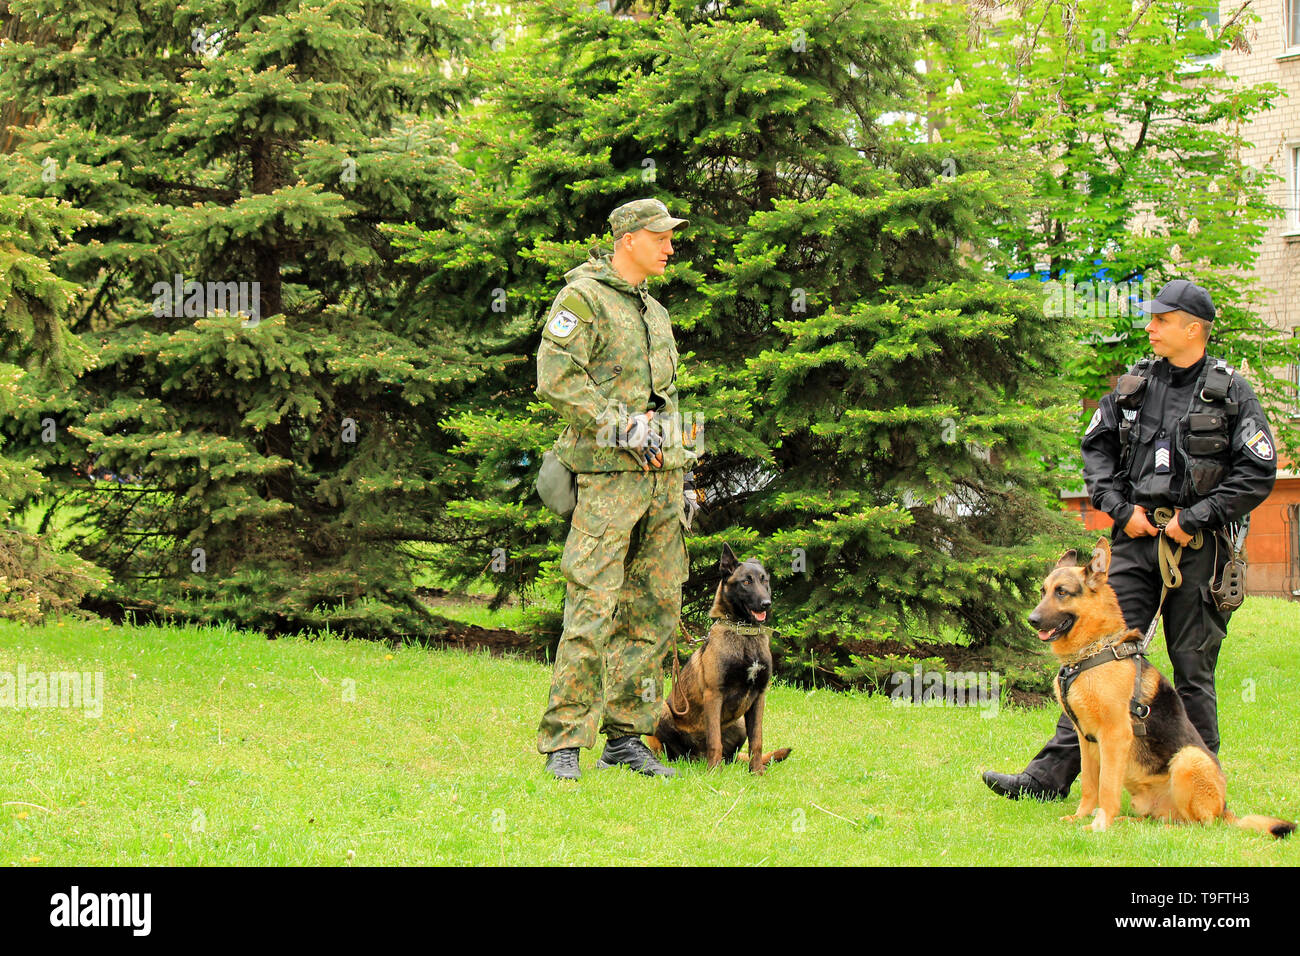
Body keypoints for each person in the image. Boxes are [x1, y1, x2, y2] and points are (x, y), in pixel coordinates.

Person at [983, 278, 1277, 800]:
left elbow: (1257, 473)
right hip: (1136, 538)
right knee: (1094, 658)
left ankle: (1201, 788)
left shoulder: (1233, 393)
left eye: (1161, 320)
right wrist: (1121, 509)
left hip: (1201, 547)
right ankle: (1045, 780)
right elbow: (1095, 450)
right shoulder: (1133, 387)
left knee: (1192, 668)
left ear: (1194, 329)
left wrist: (1195, 518)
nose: (1151, 327)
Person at [535, 197, 693, 780]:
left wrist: (684, 471)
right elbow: (555, 377)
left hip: (661, 479)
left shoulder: (655, 311)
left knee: (653, 610)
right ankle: (564, 743)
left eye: (671, 237)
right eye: (660, 237)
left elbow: (663, 399)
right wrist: (618, 425)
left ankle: (627, 737)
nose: (670, 247)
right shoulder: (583, 298)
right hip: (606, 481)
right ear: (628, 239)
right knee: (592, 607)